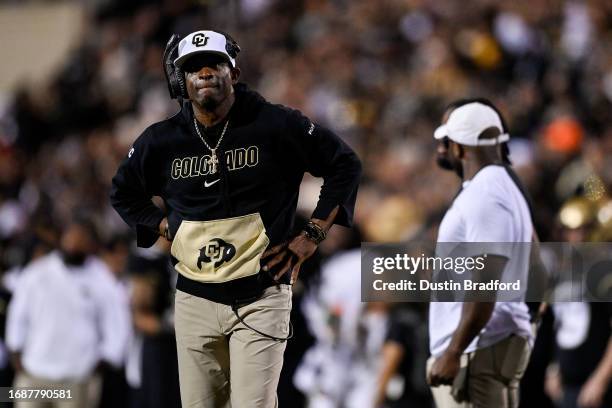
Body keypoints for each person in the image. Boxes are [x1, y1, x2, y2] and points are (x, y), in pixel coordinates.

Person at [110, 29, 361, 407]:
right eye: (194, 67)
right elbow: (122, 191)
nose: (205, 72)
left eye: (214, 63)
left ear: (235, 73)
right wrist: (162, 226)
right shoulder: (161, 141)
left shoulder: (275, 124)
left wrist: (311, 234)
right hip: (194, 296)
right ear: (181, 79)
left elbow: (344, 163)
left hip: (261, 293)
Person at [426, 101, 534, 407]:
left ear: (459, 148)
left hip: (479, 348)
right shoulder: (505, 186)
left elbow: (484, 281)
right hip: (493, 342)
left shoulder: (484, 194)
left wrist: (453, 352)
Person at [5, 220, 130, 408]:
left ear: (91, 244)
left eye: (81, 238)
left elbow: (117, 322)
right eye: (71, 237)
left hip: (76, 377)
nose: (74, 243)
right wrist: (15, 349)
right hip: (33, 371)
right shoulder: (38, 272)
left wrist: (104, 359)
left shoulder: (101, 278)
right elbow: (18, 315)